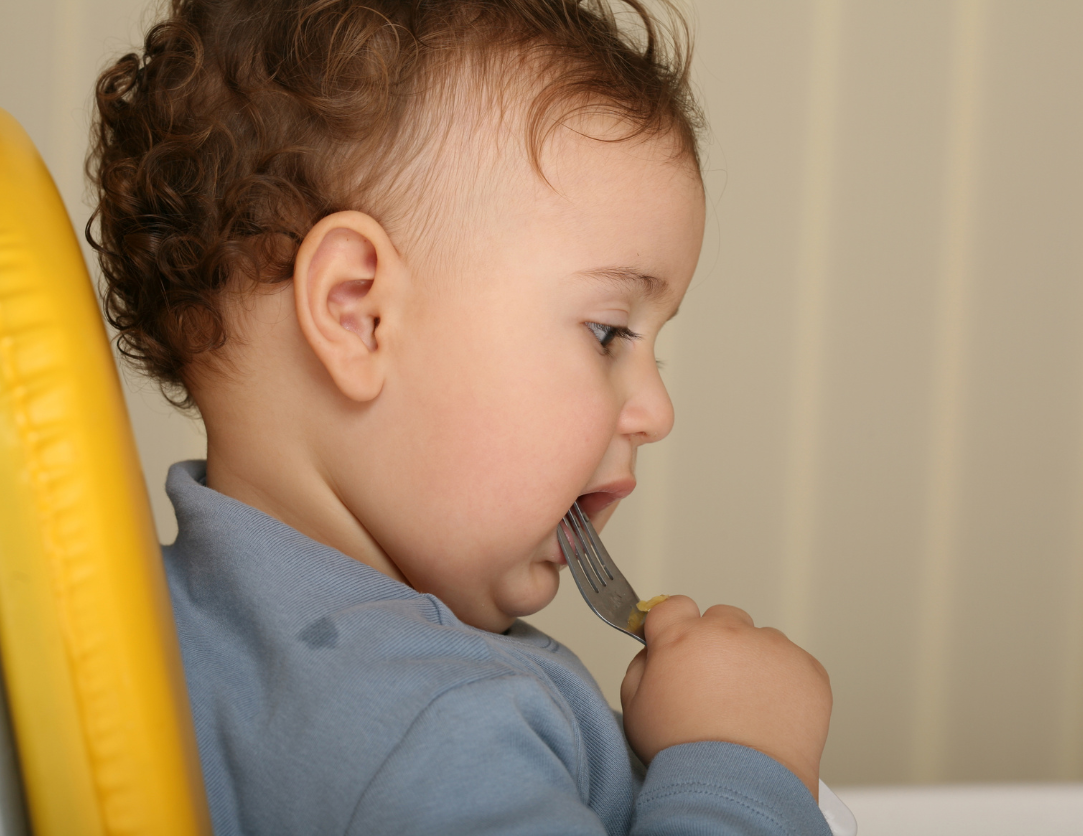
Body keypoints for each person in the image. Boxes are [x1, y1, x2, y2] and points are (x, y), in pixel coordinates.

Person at [88, 1, 833, 832]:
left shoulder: (145, 638)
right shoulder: (433, 725)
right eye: (608, 332)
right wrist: (740, 761)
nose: (656, 411)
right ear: (357, 313)